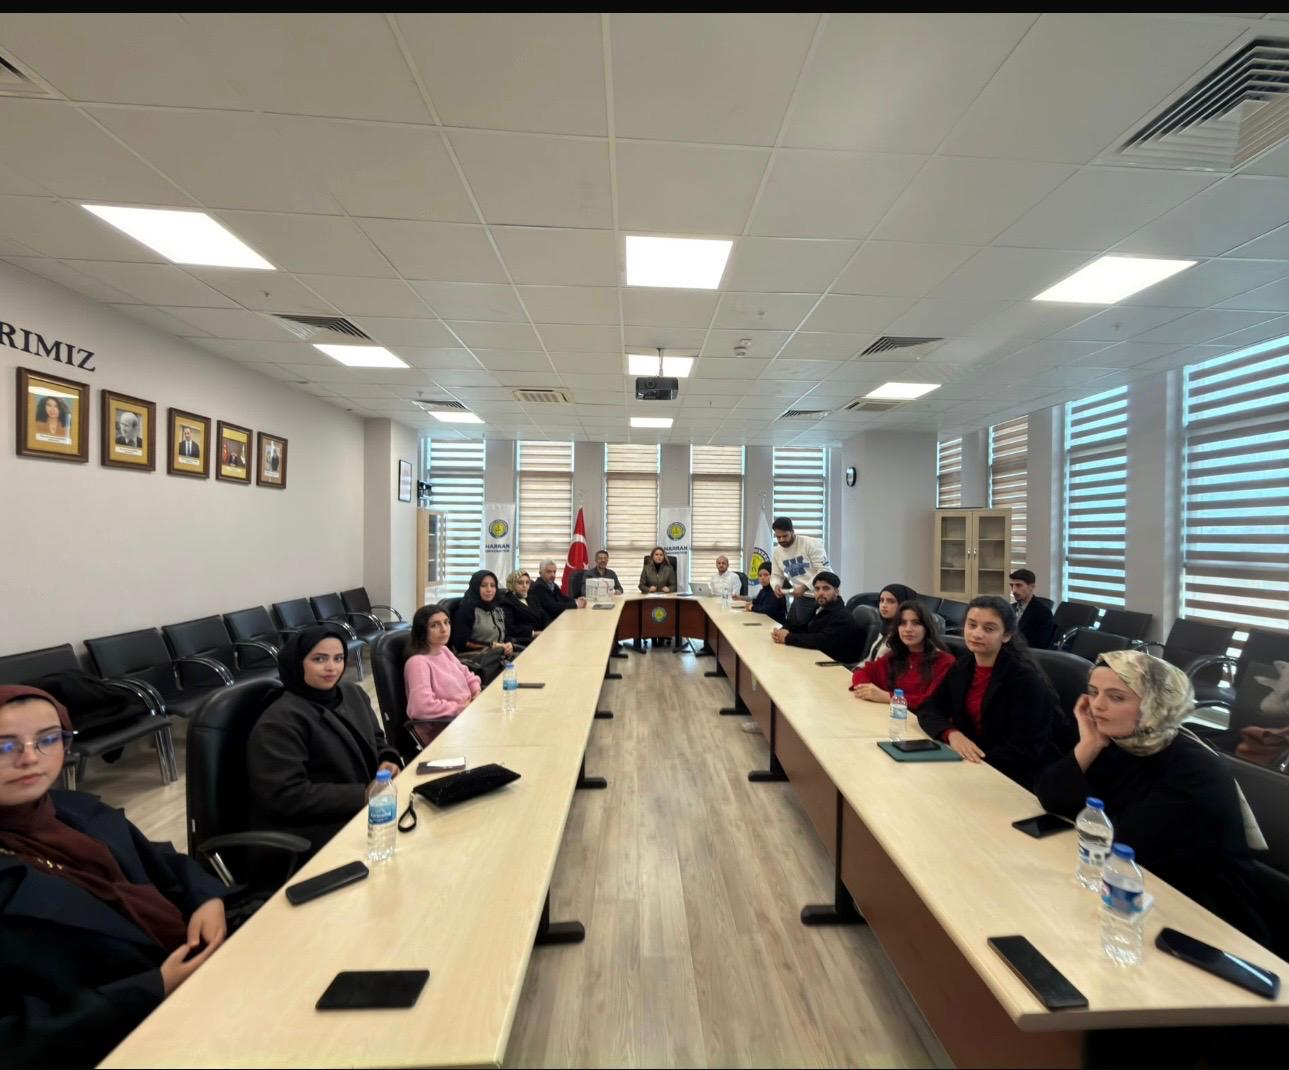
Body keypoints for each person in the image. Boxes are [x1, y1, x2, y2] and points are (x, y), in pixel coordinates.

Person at [0, 685, 230, 1067]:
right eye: (5, 746)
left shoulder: (74, 811)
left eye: (48, 739)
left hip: (195, 983)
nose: (30, 758)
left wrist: (207, 898)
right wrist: (151, 989)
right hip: (114, 1041)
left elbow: (162, 861)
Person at [1036, 651, 1272, 946]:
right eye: (1093, 693)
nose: (1097, 705)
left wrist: (1082, 805)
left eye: (1116, 697)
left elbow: (1125, 843)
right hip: (1131, 887)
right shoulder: (1118, 739)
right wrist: (1089, 744)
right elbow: (1050, 794)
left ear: (1155, 704)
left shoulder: (1194, 769)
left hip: (1204, 917)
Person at [247, 625, 402, 859]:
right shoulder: (279, 721)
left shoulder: (352, 693)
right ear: (298, 663)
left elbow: (377, 739)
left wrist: (387, 759)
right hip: (315, 830)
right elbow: (287, 796)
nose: (332, 667)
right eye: (319, 659)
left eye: (338, 658)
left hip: (364, 812)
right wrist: (362, 795)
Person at [917, 596, 1068, 789]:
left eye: (989, 629)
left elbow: (1025, 749)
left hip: (1013, 777)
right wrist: (952, 734)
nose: (976, 634)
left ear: (1006, 635)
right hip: (973, 764)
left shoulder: (1025, 680)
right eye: (972, 625)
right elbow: (930, 708)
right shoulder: (962, 666)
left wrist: (974, 761)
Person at [851, 601, 955, 710]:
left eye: (916, 623)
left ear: (927, 627)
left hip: (920, 719)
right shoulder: (895, 655)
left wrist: (888, 697)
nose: (908, 629)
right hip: (889, 715)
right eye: (903, 623)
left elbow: (931, 702)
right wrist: (866, 689)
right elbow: (862, 672)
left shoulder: (945, 662)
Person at [403, 605, 480, 745]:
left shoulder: (443, 650)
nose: (444, 629)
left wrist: (476, 692)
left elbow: (468, 675)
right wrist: (461, 708)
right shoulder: (418, 663)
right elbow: (421, 707)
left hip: (465, 718)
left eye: (446, 622)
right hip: (445, 730)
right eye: (434, 625)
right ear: (422, 630)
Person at [771, 571, 865, 664]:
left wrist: (788, 638)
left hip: (835, 666)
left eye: (826, 588)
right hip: (818, 657)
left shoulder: (842, 616)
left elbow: (821, 641)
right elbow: (805, 628)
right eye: (817, 589)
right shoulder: (820, 608)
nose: (820, 592)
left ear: (836, 592)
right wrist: (785, 630)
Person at [770, 516, 830, 627]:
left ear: (792, 531)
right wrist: (776, 586)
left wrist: (805, 587)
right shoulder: (777, 552)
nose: (781, 540)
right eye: (778, 537)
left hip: (819, 596)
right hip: (800, 597)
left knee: (807, 631)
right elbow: (776, 575)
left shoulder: (811, 544)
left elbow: (824, 571)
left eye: (785, 536)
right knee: (789, 628)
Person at [451, 570, 514, 658]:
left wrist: (509, 644)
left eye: (492, 586)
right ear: (476, 587)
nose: (489, 590)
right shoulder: (466, 610)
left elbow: (505, 633)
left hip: (498, 656)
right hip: (476, 659)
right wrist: (491, 645)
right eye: (483, 586)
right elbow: (461, 643)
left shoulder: (497, 608)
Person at [863, 582, 918, 662]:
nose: (884, 605)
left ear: (903, 604)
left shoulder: (907, 635)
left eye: (891, 601)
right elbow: (870, 660)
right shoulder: (884, 628)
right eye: (881, 600)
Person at [1010, 569, 1056, 650]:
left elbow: (1040, 646)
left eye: (1018, 585)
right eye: (1012, 586)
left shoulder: (1043, 613)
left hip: (1026, 654)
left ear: (1032, 587)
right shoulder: (1010, 608)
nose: (1014, 590)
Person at [501, 569, 548, 647]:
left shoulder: (532, 598)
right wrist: (533, 633)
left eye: (527, 582)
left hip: (541, 636)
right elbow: (511, 628)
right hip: (525, 640)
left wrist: (548, 628)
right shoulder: (506, 602)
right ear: (512, 584)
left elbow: (544, 616)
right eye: (520, 583)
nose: (525, 586)